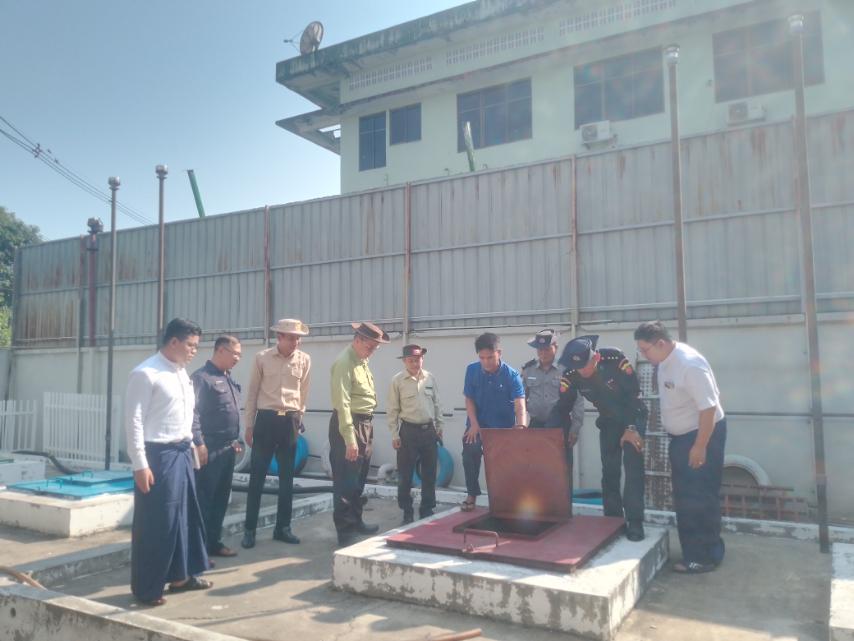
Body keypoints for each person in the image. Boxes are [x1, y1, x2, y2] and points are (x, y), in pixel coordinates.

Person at [124, 317, 210, 606]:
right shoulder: (146, 373)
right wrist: (140, 463)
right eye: (191, 345)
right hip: (158, 457)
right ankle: (147, 588)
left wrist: (193, 446)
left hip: (182, 454)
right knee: (157, 523)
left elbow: (183, 416)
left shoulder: (182, 373)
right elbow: (134, 422)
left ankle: (181, 576)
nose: (194, 351)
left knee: (184, 519)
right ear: (173, 342)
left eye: (196, 346)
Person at [634, 321, 726, 573]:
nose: (643, 355)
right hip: (682, 438)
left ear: (661, 343)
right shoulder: (664, 361)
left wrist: (700, 446)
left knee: (698, 497)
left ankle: (702, 558)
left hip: (701, 435)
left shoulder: (689, 364)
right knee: (686, 497)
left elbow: (708, 408)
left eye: (645, 350)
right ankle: (701, 550)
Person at [551, 335, 648, 541]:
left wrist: (631, 428)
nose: (581, 372)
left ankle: (635, 522)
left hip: (633, 415)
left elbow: (634, 395)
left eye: (584, 366)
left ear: (595, 358)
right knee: (610, 469)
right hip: (609, 420)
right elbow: (562, 407)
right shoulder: (571, 373)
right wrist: (549, 433)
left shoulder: (615, 360)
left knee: (632, 467)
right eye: (577, 368)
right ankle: (613, 521)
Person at [241, 318, 312, 549]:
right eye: (291, 338)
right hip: (266, 420)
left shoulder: (304, 360)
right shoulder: (262, 358)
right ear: (279, 337)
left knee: (287, 479)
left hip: (289, 421)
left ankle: (283, 528)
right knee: (257, 477)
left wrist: (299, 417)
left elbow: (303, 392)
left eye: (298, 338)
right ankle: (249, 530)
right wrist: (249, 425)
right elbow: (252, 392)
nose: (296, 342)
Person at [330, 322, 389, 546]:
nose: (372, 351)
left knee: (358, 478)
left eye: (375, 348)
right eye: (370, 347)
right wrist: (350, 439)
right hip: (349, 425)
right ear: (357, 340)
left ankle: (356, 521)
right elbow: (342, 403)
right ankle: (344, 531)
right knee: (345, 479)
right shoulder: (344, 362)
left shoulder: (362, 361)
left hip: (364, 423)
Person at [461, 332, 527, 512]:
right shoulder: (472, 370)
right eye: (482, 358)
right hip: (478, 424)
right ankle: (471, 494)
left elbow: (520, 405)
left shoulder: (512, 375)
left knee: (503, 463)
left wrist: (520, 427)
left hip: (502, 428)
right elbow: (469, 399)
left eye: (490, 357)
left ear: (499, 353)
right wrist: (473, 424)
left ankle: (504, 499)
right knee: (470, 451)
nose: (486, 362)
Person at [191, 335, 243, 558]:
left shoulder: (227, 378)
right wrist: (199, 442)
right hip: (209, 450)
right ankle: (198, 550)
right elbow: (192, 414)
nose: (237, 358)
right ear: (220, 350)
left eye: (240, 355)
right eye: (235, 354)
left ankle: (213, 543)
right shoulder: (201, 378)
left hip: (228, 449)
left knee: (221, 500)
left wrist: (235, 440)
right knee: (204, 500)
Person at [522, 329, 584, 498]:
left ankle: (564, 507)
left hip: (560, 426)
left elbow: (577, 401)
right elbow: (522, 398)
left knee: (561, 468)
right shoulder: (528, 370)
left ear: (555, 347)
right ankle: (542, 505)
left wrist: (575, 428)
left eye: (547, 349)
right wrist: (521, 424)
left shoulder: (567, 370)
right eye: (540, 350)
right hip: (536, 426)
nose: (543, 353)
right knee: (536, 468)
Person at [387, 344, 444, 525]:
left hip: (428, 431)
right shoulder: (397, 381)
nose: (415, 363)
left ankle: (427, 508)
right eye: (411, 360)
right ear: (404, 361)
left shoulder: (430, 378)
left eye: (418, 359)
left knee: (429, 473)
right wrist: (395, 435)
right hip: (408, 432)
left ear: (422, 359)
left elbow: (437, 404)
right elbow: (392, 410)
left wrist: (439, 426)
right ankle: (407, 511)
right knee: (405, 474)